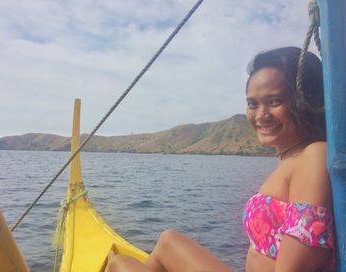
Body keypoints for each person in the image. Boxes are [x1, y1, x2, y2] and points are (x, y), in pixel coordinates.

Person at [104, 47, 335, 272]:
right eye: (253, 104)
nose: (261, 115)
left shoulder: (314, 154)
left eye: (274, 101)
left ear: (305, 100)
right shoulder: (292, 159)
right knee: (168, 241)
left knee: (119, 264)